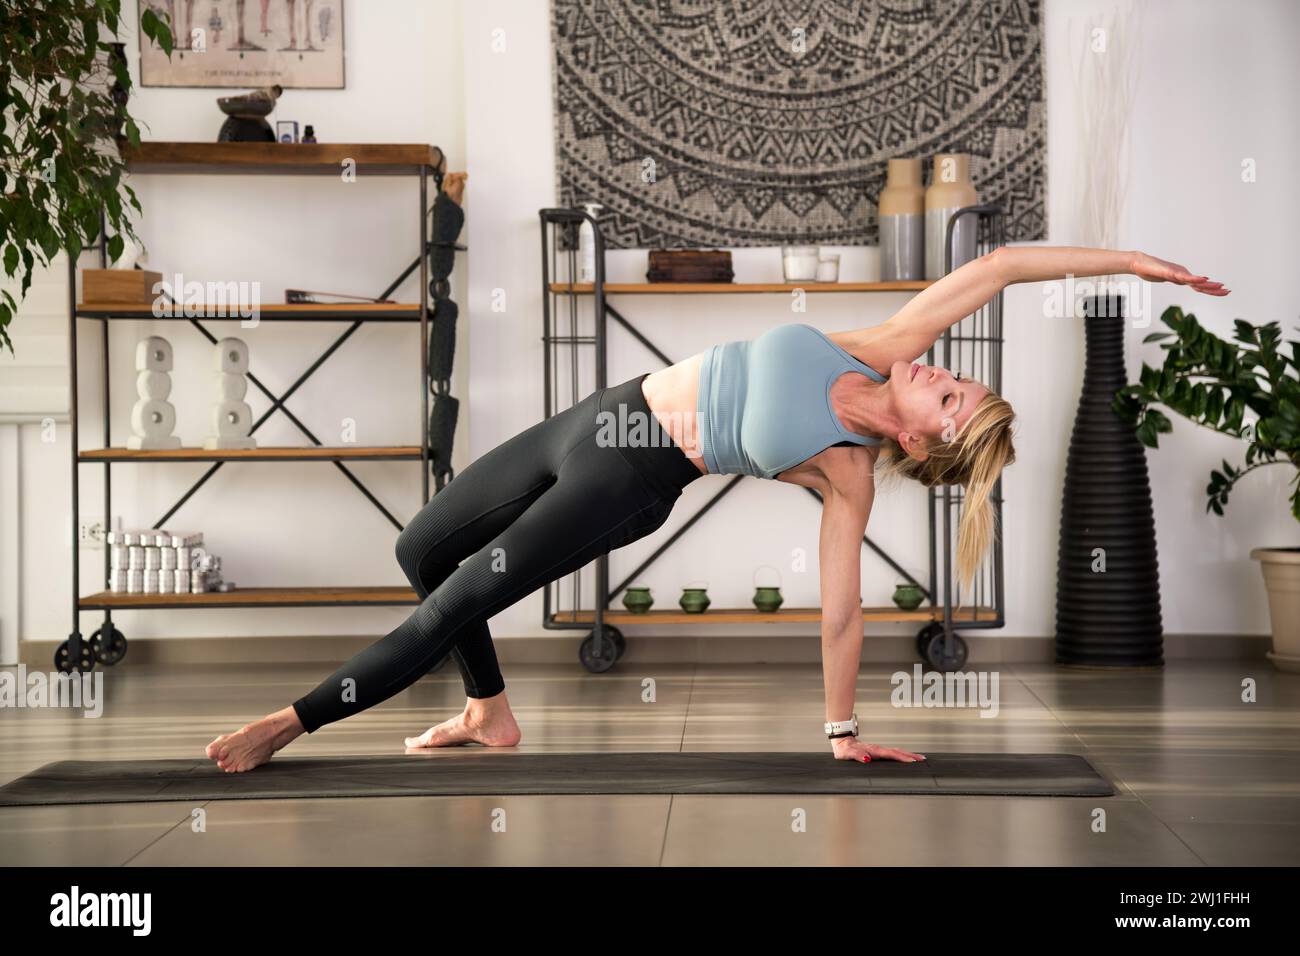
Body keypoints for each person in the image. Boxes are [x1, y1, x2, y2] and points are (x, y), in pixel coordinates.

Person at [206, 242, 1228, 772]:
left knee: (452, 599)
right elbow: (1000, 268)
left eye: (950, 396)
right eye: (955, 378)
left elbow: (838, 609)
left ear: (923, 439)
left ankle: (291, 722)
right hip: (594, 418)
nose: (945, 372)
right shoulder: (874, 347)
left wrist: (841, 730)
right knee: (421, 545)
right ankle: (489, 709)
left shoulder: (849, 471)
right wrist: (1132, 262)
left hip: (629, 479)